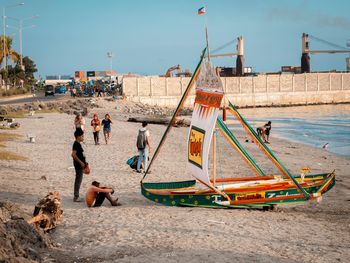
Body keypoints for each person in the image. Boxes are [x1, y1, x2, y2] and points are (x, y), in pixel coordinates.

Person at [71, 128, 88, 202]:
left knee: (79, 179)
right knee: (78, 180)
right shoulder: (76, 144)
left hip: (80, 165)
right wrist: (81, 162)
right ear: (78, 136)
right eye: (82, 136)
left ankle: (76, 195)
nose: (83, 137)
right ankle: (76, 196)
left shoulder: (78, 144)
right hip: (78, 165)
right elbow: (73, 155)